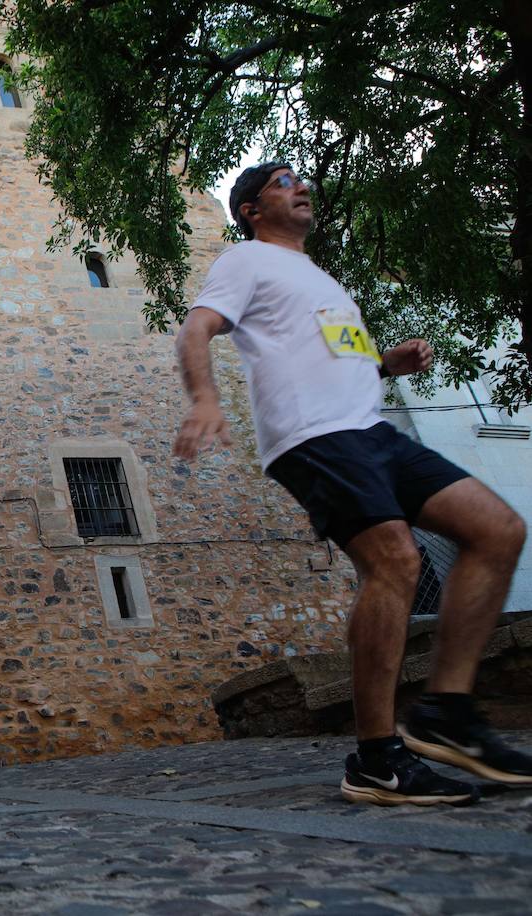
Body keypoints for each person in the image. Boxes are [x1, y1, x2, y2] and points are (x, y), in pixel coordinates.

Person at [174, 161, 531, 806]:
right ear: (252, 209)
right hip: (314, 436)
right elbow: (197, 326)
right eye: (282, 183)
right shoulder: (245, 259)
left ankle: (446, 711)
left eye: (300, 179)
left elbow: (340, 353)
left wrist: (385, 361)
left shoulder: (319, 276)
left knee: (498, 530)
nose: (301, 185)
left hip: (369, 428)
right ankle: (376, 758)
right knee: (395, 558)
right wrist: (204, 397)